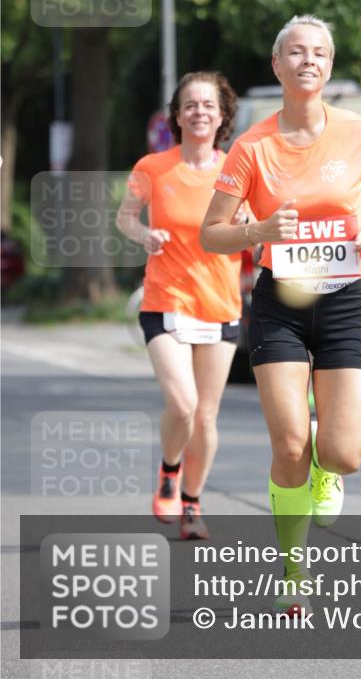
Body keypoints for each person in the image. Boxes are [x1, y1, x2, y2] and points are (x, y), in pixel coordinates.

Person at [201, 15, 361, 613]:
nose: (308, 60)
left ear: (329, 65)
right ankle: (295, 570)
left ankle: (325, 460)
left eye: (318, 52)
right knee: (288, 445)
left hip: (344, 300)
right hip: (281, 304)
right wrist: (258, 229)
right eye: (295, 52)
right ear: (277, 65)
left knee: (343, 455)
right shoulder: (251, 146)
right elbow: (212, 234)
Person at [117, 72, 245, 540]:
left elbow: (253, 225)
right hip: (165, 298)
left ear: (222, 115)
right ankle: (169, 470)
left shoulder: (237, 169)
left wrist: (251, 222)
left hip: (221, 302)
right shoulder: (152, 167)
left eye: (208, 105)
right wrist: (144, 235)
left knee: (206, 416)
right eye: (190, 105)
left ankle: (192, 504)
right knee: (183, 403)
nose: (199, 113)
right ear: (176, 114)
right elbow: (125, 218)